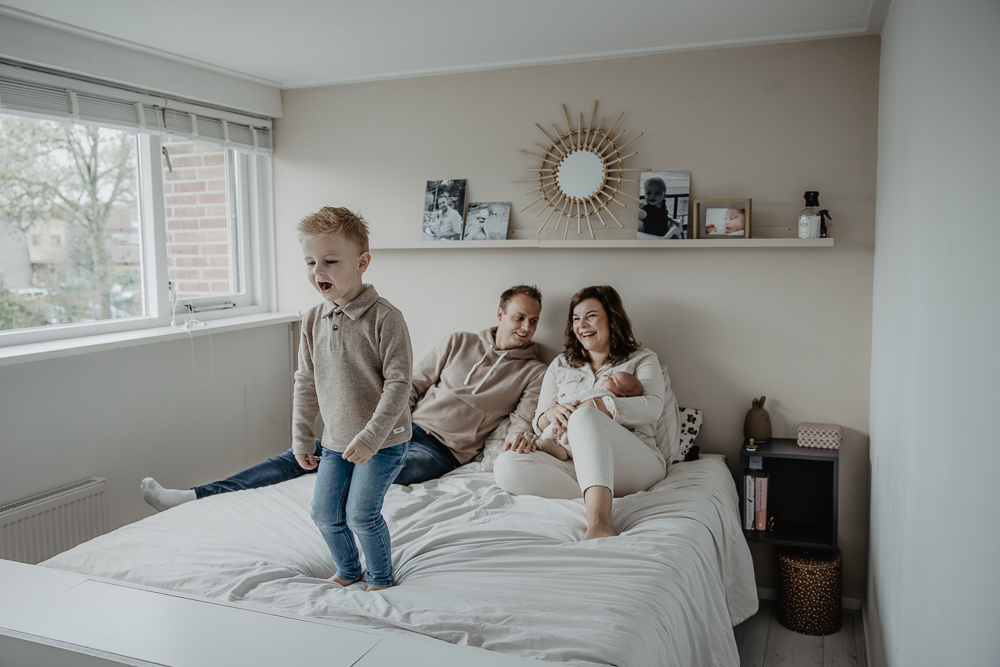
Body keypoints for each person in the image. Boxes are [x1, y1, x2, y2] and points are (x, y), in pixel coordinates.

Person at [141, 285, 546, 507]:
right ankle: (196, 495)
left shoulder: (534, 370)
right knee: (310, 451)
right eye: (519, 317)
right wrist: (383, 426)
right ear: (500, 314)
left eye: (533, 321)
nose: (526, 327)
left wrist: (521, 437)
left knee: (378, 470)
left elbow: (523, 419)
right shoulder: (459, 341)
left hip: (443, 452)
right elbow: (410, 385)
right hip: (405, 429)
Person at [494, 285, 678, 541]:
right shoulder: (560, 364)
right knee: (506, 465)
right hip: (573, 462)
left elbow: (653, 407)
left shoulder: (642, 359)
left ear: (612, 317)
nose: (582, 325)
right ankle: (595, 493)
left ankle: (600, 522)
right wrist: (553, 413)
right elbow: (539, 422)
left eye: (591, 315)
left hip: (636, 461)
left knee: (585, 416)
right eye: (576, 319)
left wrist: (596, 407)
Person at [296, 207, 412, 591]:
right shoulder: (312, 319)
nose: (318, 271)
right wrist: (300, 436)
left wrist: (371, 437)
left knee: (361, 514)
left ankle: (381, 578)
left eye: (330, 261)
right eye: (311, 261)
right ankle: (348, 570)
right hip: (335, 439)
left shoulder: (385, 317)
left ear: (362, 262)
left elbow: (399, 384)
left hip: (383, 440)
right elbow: (305, 380)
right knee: (325, 513)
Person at [534, 371, 644, 460]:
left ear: (622, 395)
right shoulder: (614, 408)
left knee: (556, 426)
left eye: (614, 381)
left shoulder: (603, 392)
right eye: (610, 376)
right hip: (584, 433)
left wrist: (562, 399)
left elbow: (580, 396)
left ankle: (539, 441)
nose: (608, 378)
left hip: (573, 421)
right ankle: (560, 451)